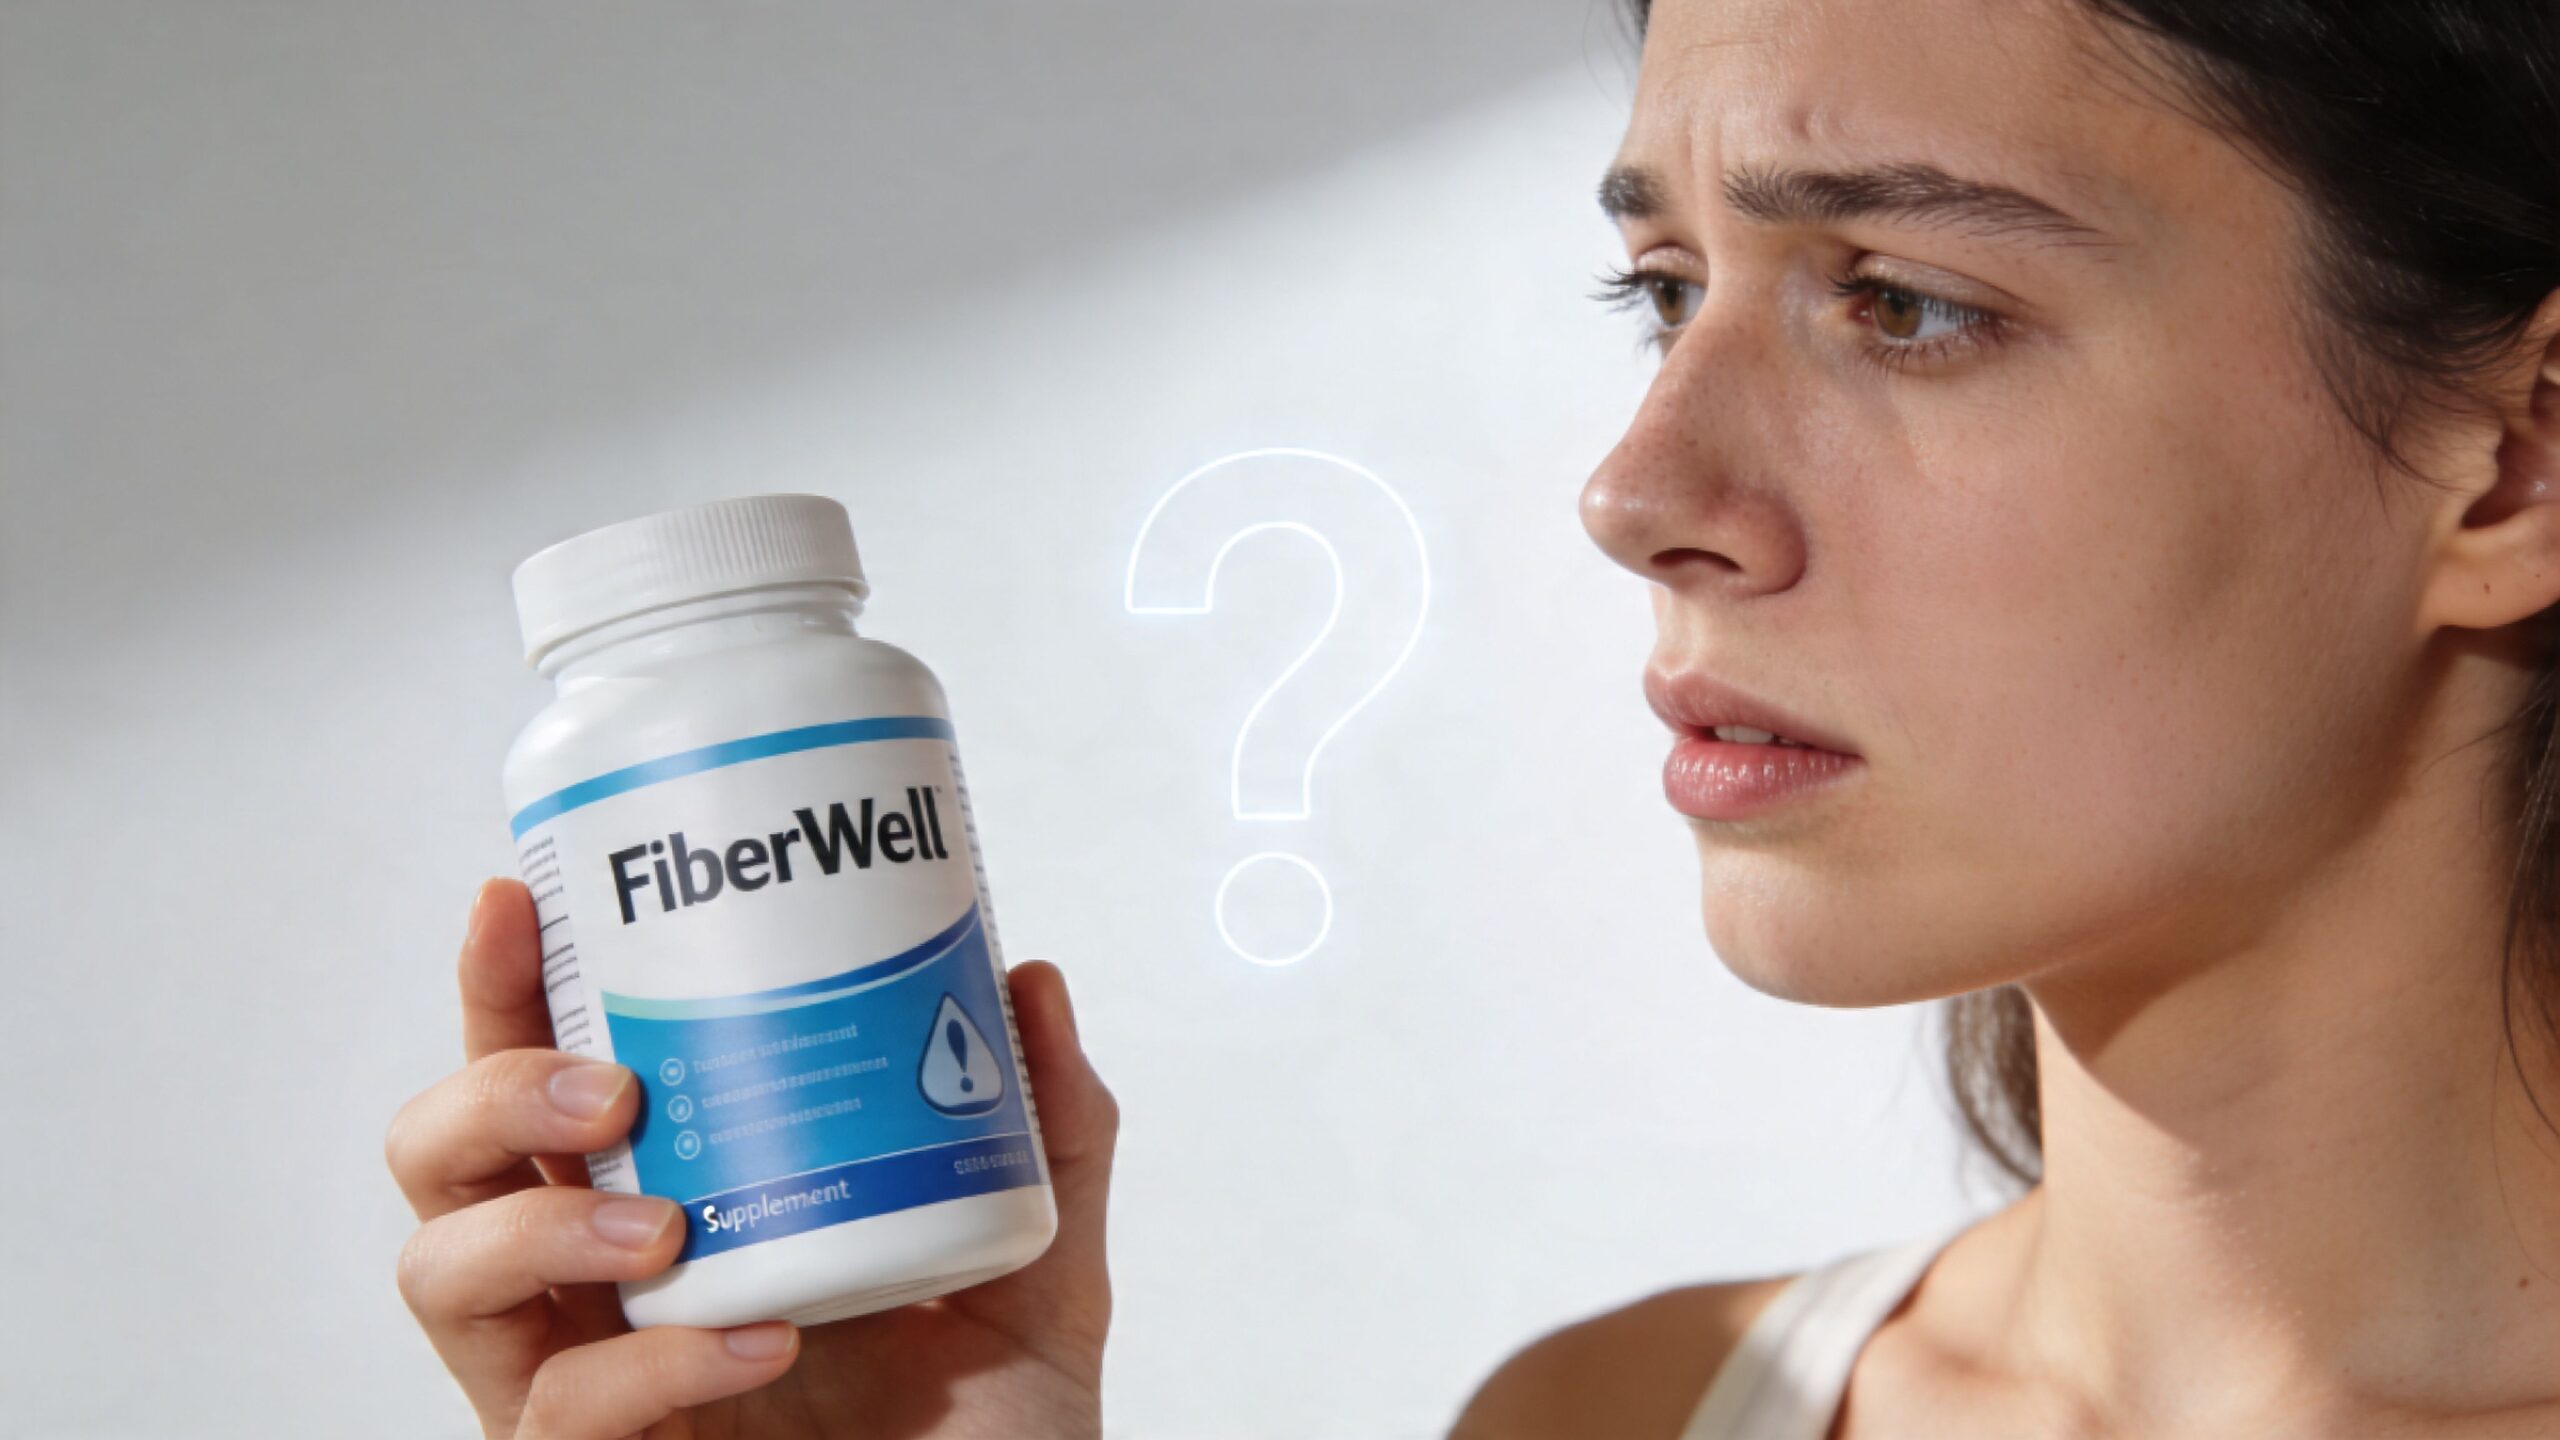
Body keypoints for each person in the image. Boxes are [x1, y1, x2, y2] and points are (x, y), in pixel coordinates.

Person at [388, 0, 2560, 1433]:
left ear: (2515, 457)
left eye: (1902, 305)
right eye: (1660, 293)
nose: (1635, 493)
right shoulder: (1604, 1421)